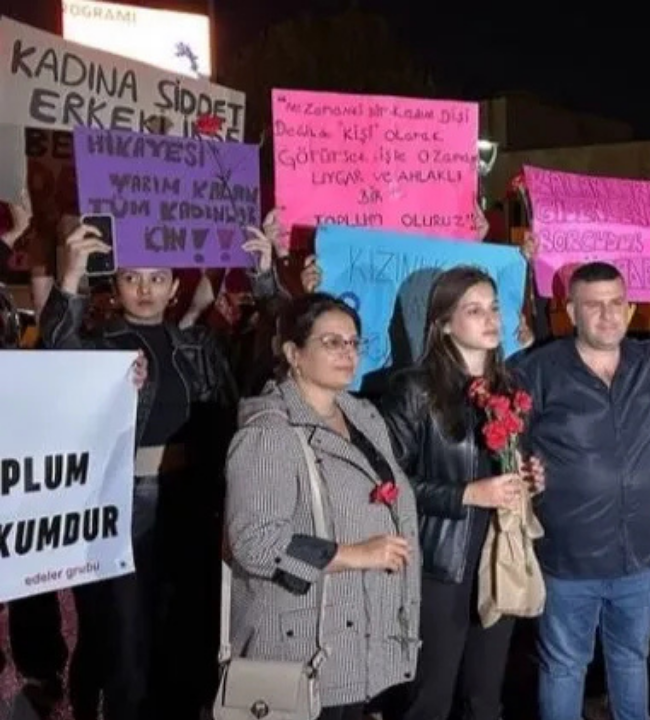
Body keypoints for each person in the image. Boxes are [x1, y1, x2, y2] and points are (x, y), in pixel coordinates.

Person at [41, 222, 274, 720]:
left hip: (191, 498)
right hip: (124, 501)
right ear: (116, 284)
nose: (144, 289)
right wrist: (70, 278)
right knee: (127, 630)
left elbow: (259, 373)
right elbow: (55, 358)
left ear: (174, 289)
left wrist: (266, 278)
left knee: (186, 621)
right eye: (132, 277)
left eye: (157, 277)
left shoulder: (198, 346)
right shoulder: (100, 344)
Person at [224, 293, 421, 720]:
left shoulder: (364, 417)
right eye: (331, 342)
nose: (347, 354)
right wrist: (353, 554)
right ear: (294, 353)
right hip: (304, 641)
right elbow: (254, 541)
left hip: (357, 634)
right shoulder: (269, 434)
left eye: (353, 343)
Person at [513, 261, 650, 720]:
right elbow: (505, 440)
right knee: (565, 666)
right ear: (570, 310)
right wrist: (523, 470)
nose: (608, 316)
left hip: (639, 557)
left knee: (632, 660)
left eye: (617, 304)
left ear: (630, 309)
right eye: (594, 306)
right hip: (569, 560)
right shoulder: (536, 373)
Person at [379, 267, 544, 720]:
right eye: (474, 310)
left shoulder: (509, 389)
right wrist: (467, 494)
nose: (491, 318)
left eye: (494, 307)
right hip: (438, 565)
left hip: (499, 557)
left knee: (486, 697)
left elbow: (508, 471)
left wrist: (528, 479)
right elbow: (386, 487)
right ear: (444, 323)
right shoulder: (413, 389)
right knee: (429, 698)